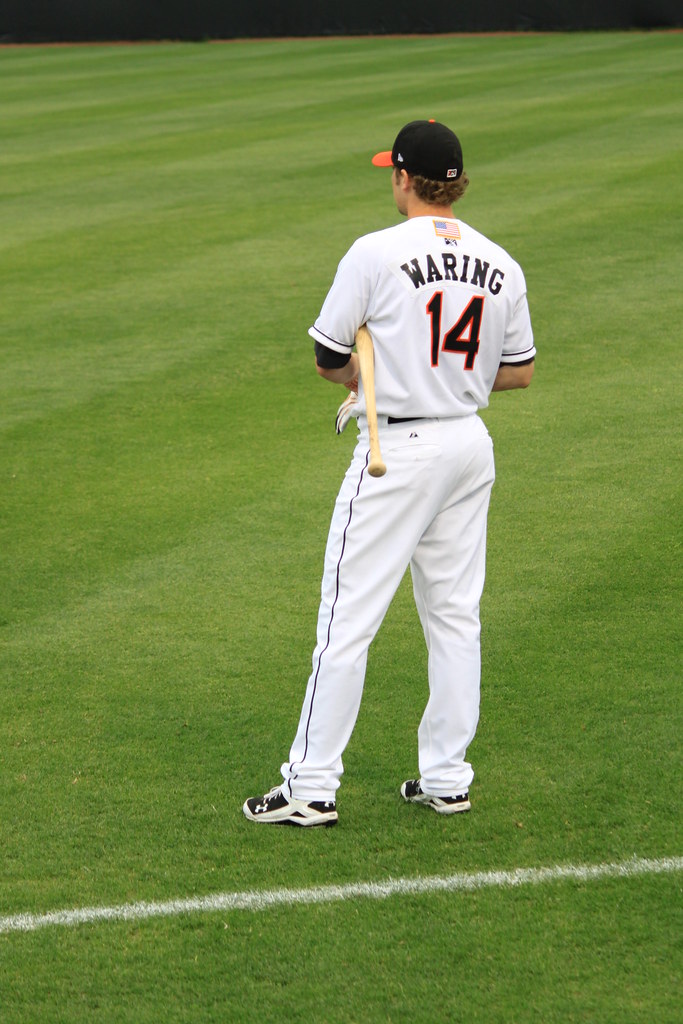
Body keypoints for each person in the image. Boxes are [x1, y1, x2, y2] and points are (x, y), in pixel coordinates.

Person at [243, 120, 535, 827]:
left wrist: (371, 382)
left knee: (346, 620)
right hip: (468, 445)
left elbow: (326, 355)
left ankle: (310, 786)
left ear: (404, 177)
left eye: (391, 171)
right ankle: (445, 777)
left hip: (395, 452)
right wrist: (440, 383)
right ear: (456, 181)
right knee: (454, 617)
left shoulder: (374, 252)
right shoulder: (501, 263)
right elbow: (518, 373)